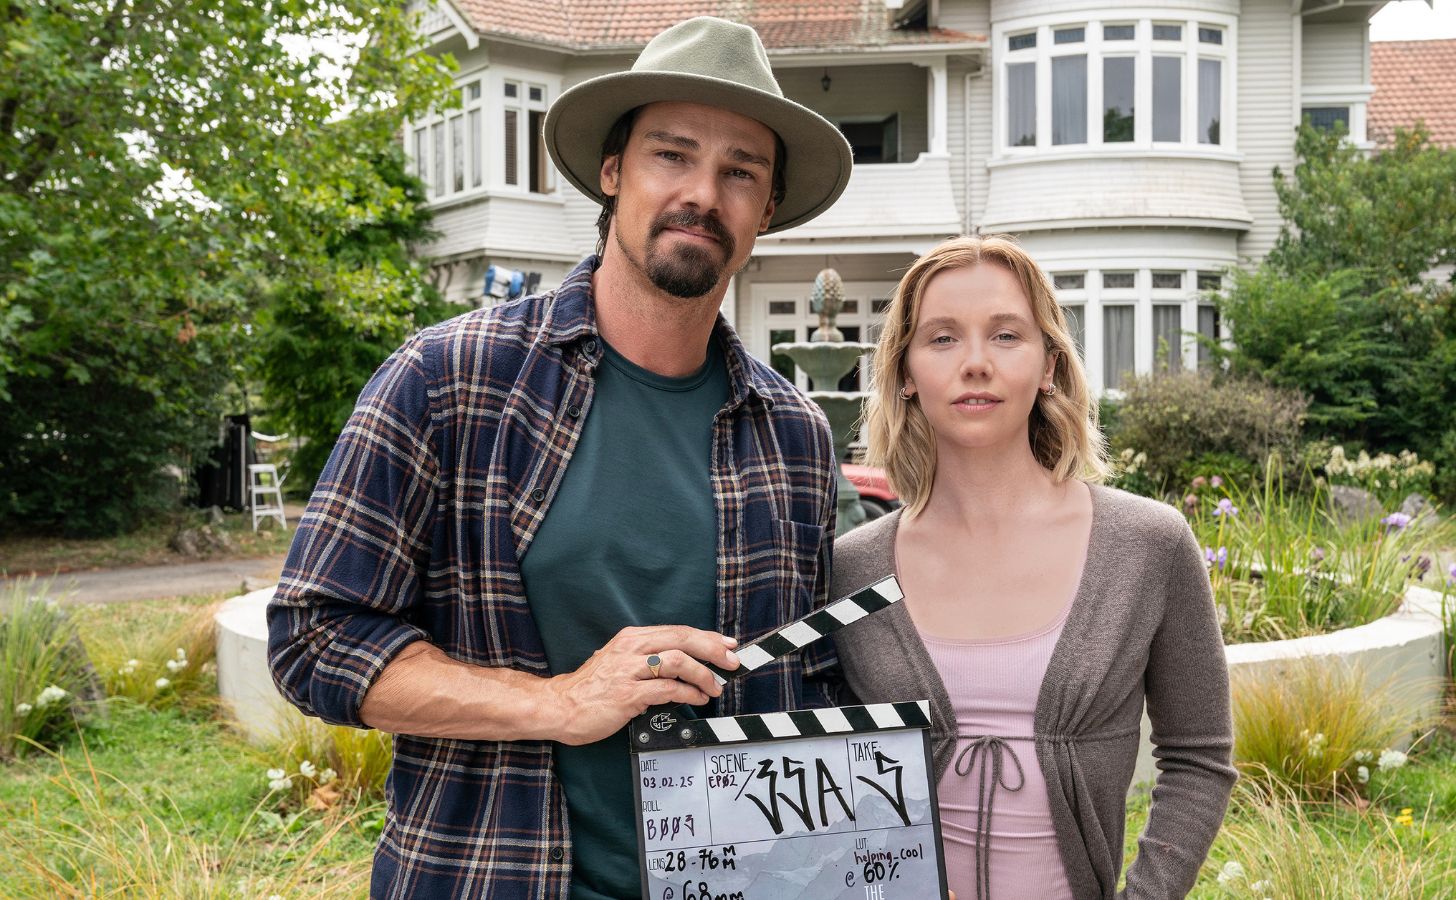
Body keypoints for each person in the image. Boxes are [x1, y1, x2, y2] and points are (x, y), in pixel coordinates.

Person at [267, 17, 856, 899]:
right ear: (613, 172)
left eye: (741, 171)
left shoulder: (795, 435)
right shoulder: (449, 380)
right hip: (489, 876)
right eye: (672, 154)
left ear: (766, 209)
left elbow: (805, 685)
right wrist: (560, 702)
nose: (704, 192)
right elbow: (315, 640)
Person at [830, 235, 1236, 900]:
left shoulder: (1147, 545)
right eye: (941, 339)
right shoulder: (854, 571)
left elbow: (1200, 760)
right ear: (904, 372)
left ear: (1049, 363)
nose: (976, 363)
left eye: (1006, 335)